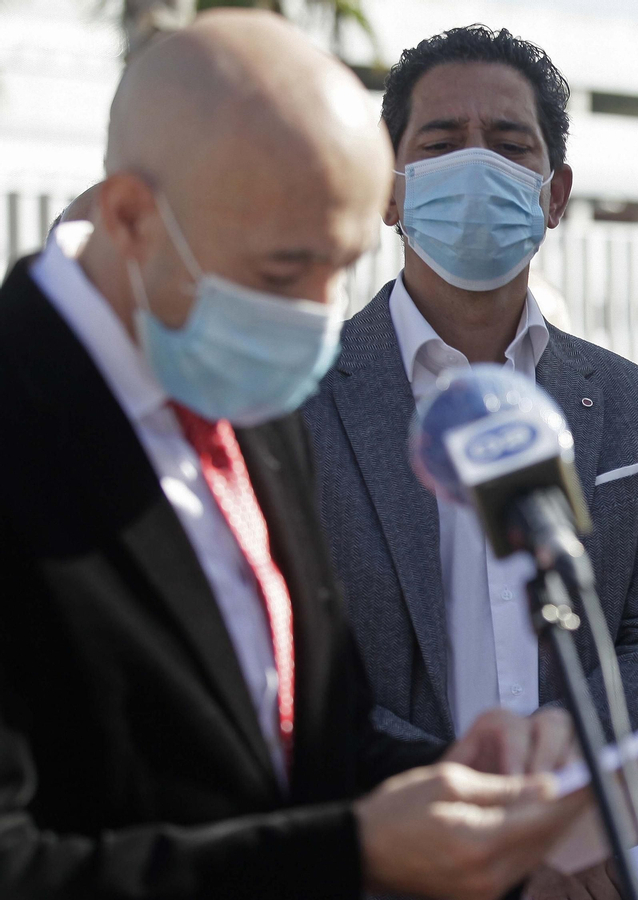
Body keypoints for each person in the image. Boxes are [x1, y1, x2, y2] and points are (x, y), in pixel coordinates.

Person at [0, 11, 587, 899]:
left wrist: (446, 783)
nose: (314, 317)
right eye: (281, 274)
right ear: (130, 218)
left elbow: (310, 738)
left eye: (339, 269)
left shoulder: (240, 382)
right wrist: (352, 854)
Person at [299, 25, 638, 900]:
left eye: (508, 143)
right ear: (389, 188)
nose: (476, 165)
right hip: (397, 862)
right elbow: (299, 667)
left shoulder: (632, 406)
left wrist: (561, 796)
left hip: (593, 863)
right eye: (441, 142)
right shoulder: (300, 404)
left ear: (554, 194)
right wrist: (473, 819)